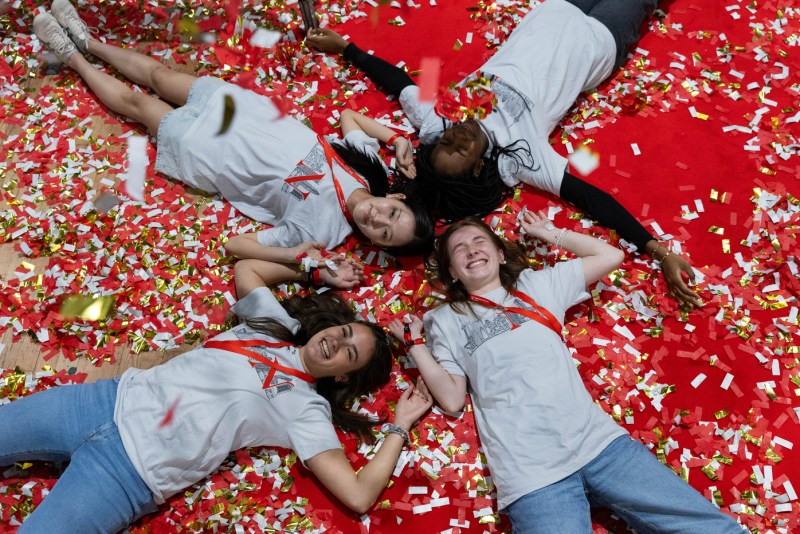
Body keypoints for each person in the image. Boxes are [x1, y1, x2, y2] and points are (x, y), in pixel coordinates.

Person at [0, 251, 433, 533]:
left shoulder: (306, 410)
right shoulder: (275, 325)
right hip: (100, 403)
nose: (336, 344)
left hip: (127, 475)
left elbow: (358, 495)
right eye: (342, 332)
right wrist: (315, 271)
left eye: (348, 354)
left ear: (343, 377)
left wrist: (399, 425)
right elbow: (247, 267)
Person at [306, 0, 701, 307]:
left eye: (447, 142)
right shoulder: (523, 158)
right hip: (599, 40)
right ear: (478, 166)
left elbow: (401, 82)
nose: (458, 134)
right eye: (460, 148)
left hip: (554, 12)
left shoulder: (438, 121)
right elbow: (592, 199)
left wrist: (347, 47)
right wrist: (659, 251)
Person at [387, 215, 741, 532]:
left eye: (480, 241)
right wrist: (415, 344)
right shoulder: (445, 320)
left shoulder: (535, 285)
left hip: (601, 446)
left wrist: (550, 233)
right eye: (459, 249)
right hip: (532, 475)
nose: (471, 250)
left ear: (500, 254)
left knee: (712, 528)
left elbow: (610, 257)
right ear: (452, 270)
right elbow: (450, 399)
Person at [32, 0, 434, 260]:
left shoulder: (324, 234)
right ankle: (90, 42)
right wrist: (395, 138)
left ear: (377, 246)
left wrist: (296, 257)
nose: (376, 219)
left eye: (384, 234)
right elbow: (349, 118)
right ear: (395, 196)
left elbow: (237, 246)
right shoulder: (368, 170)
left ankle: (72, 58)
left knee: (139, 106)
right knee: (160, 73)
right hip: (243, 113)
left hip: (210, 152)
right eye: (392, 213)